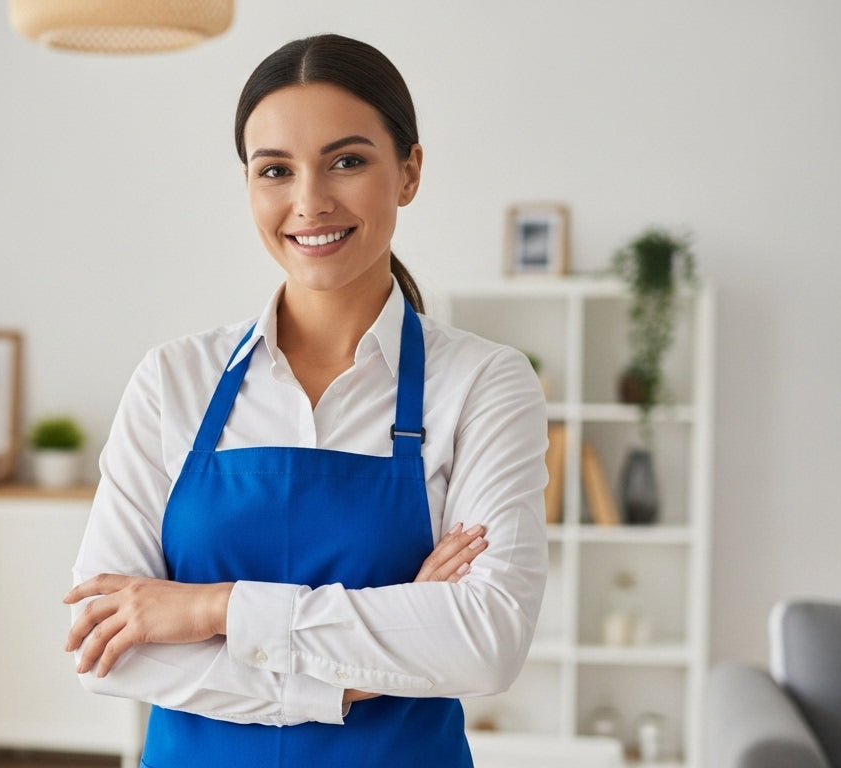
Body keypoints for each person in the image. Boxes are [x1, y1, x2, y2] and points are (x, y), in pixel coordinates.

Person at [63, 33, 548, 767]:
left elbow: (485, 641)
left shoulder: (483, 383)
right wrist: (349, 682)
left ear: (409, 171)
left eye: (346, 161)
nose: (309, 202)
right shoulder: (174, 380)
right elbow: (110, 648)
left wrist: (209, 608)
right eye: (275, 171)